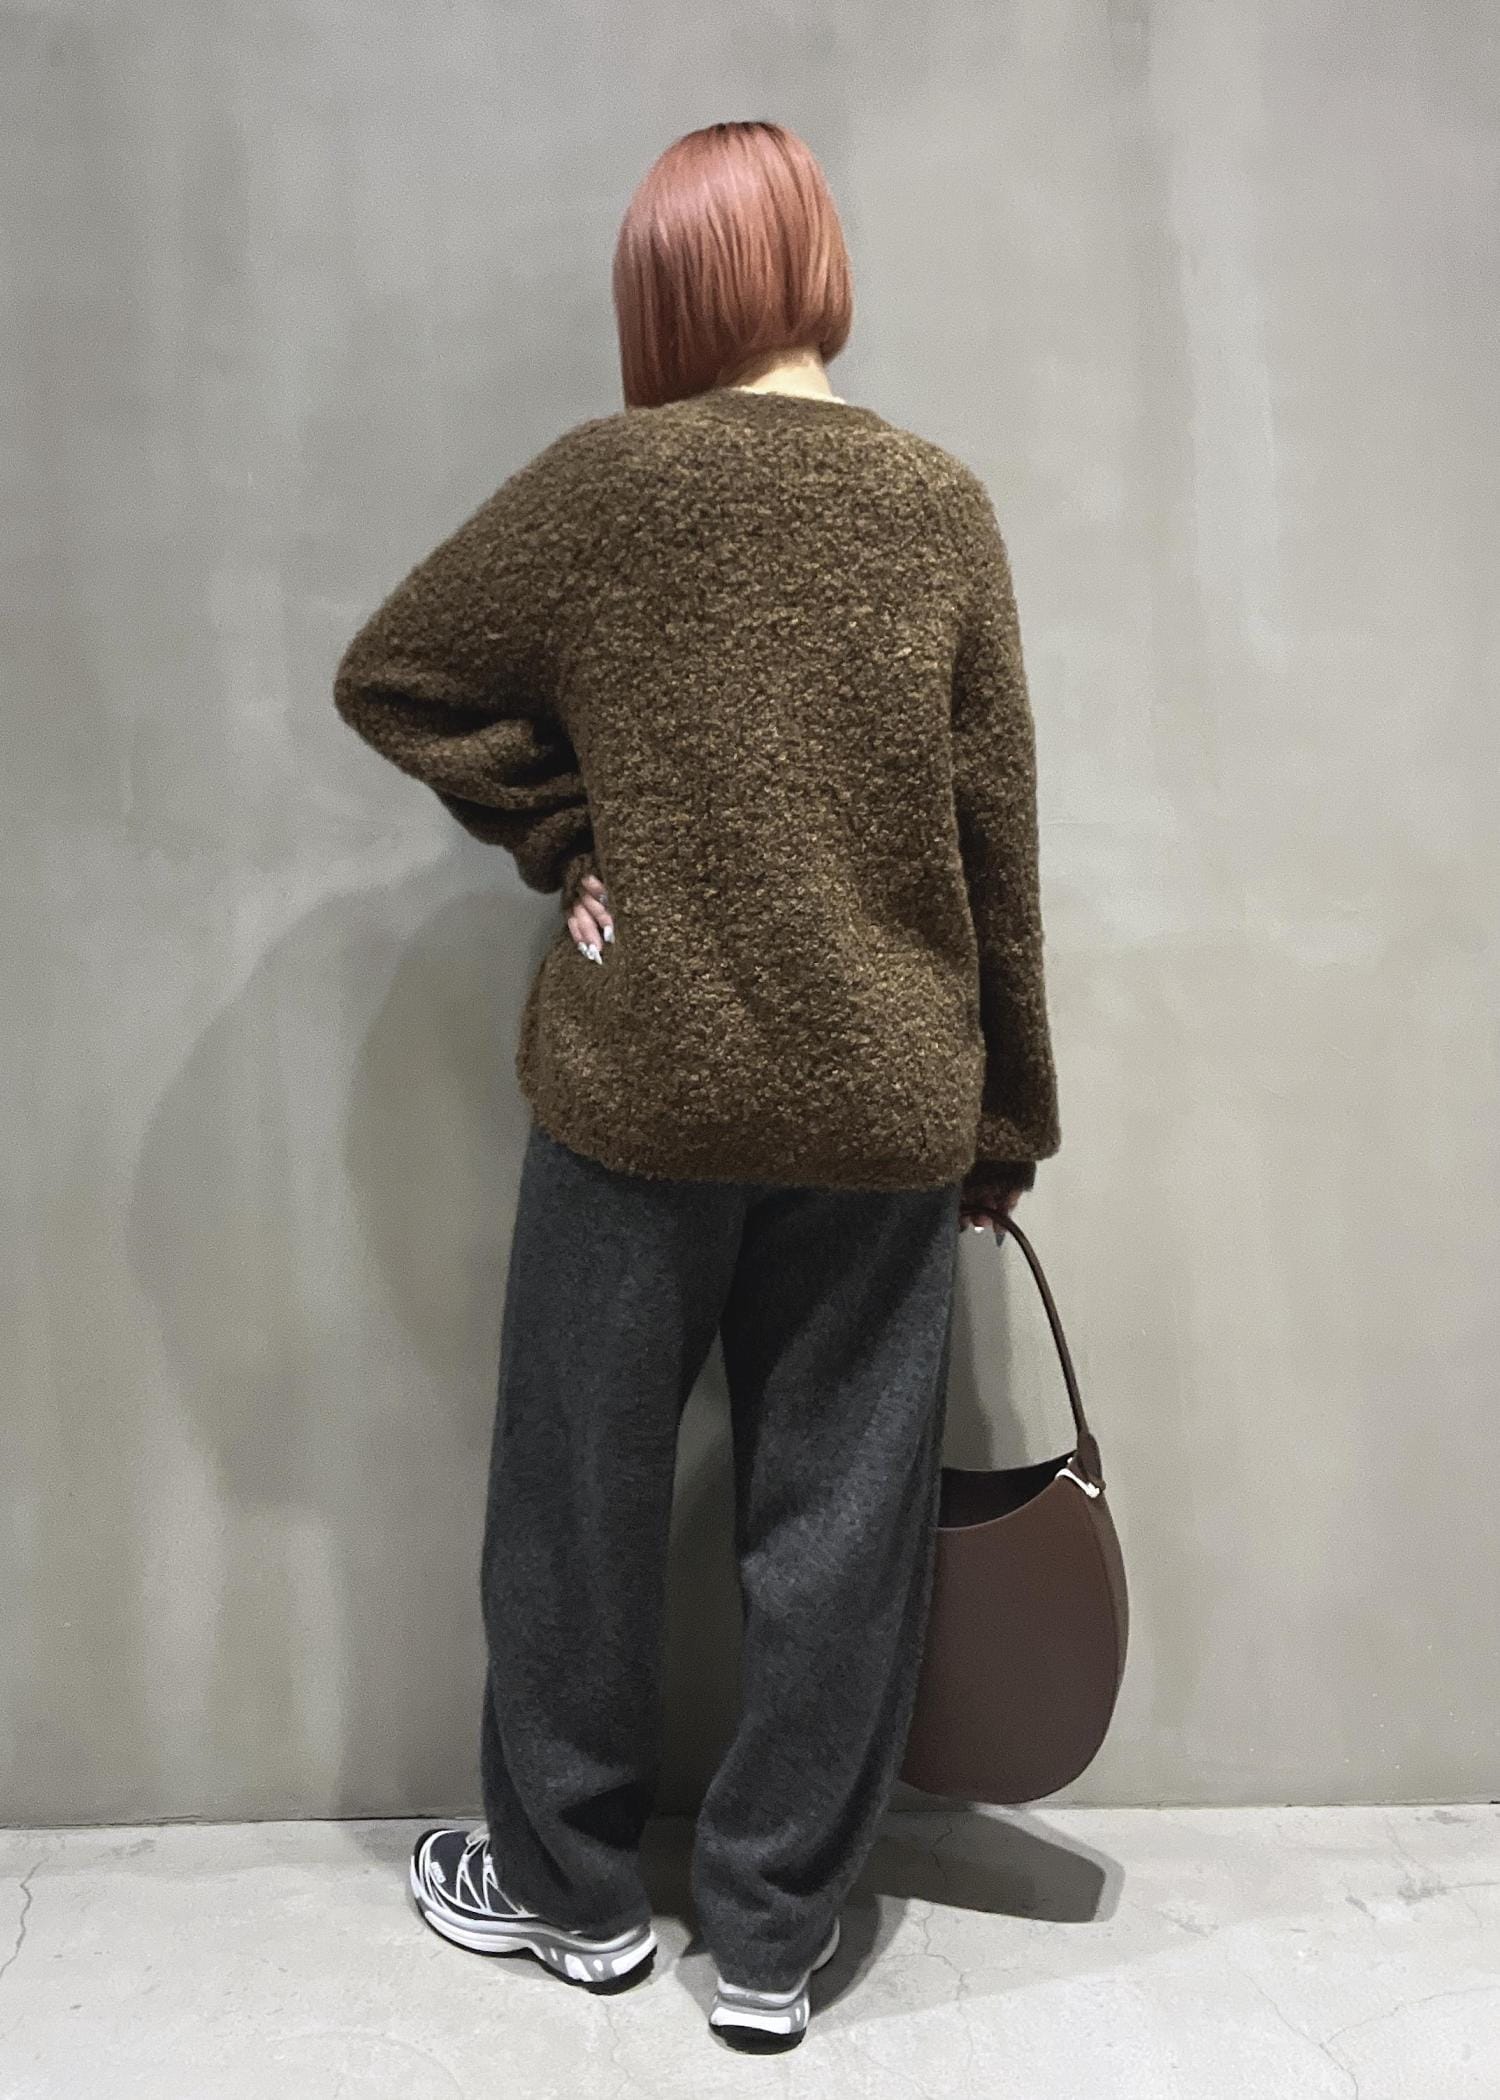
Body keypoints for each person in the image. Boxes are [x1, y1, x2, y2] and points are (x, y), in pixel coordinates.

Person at [332, 118, 1060, 2054]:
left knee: (575, 1493)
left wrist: (569, 838)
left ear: (663, 286)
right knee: (838, 1525)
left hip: (641, 1088)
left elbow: (395, 674)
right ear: (815, 264)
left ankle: (572, 1899)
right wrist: (1007, 1124)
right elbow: (998, 840)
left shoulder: (605, 487)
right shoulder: (939, 504)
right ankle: (770, 1941)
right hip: (883, 1103)